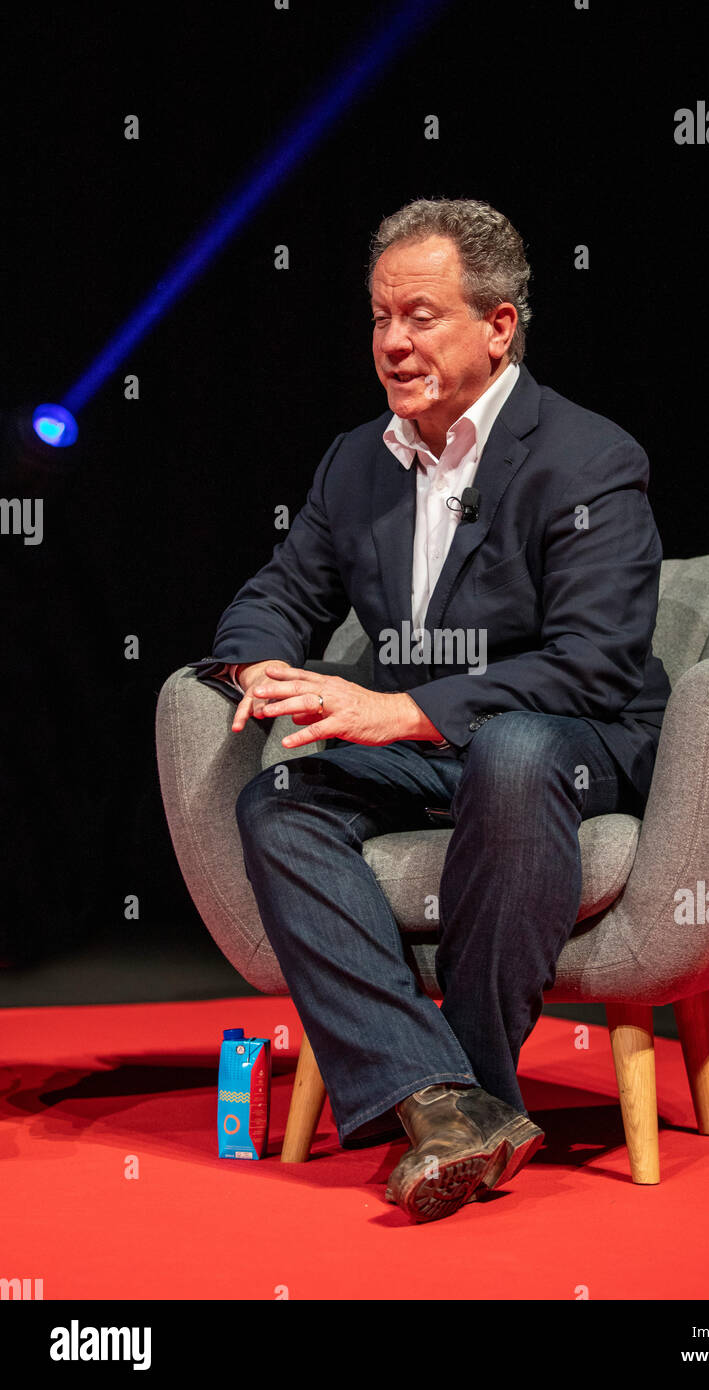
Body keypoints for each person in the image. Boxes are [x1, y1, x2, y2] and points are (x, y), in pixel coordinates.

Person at [189, 197, 672, 1223]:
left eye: (420, 315)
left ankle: (473, 1085)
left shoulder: (587, 459)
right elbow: (279, 591)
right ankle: (444, 1101)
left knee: (511, 748)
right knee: (281, 798)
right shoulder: (356, 460)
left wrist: (400, 707)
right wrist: (259, 668)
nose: (393, 343)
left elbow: (592, 665)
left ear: (498, 326)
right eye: (378, 318)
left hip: (577, 740)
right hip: (440, 741)